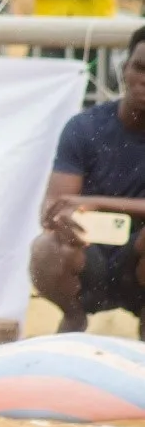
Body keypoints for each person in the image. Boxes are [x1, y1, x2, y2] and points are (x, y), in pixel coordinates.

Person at [31, 27, 145, 336]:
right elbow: (54, 207)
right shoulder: (84, 127)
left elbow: (82, 201)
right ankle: (73, 317)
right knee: (47, 246)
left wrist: (95, 202)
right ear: (124, 70)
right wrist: (64, 217)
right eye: (140, 67)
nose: (144, 79)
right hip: (88, 254)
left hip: (137, 261)